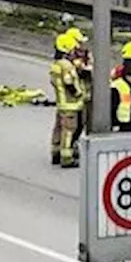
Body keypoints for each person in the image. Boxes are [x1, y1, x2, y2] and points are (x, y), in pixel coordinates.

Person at [49, 33, 85, 168]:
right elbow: (69, 82)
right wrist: (78, 93)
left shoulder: (56, 65)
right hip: (70, 104)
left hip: (61, 103)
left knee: (58, 128)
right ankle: (67, 158)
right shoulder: (67, 66)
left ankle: (56, 152)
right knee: (69, 130)